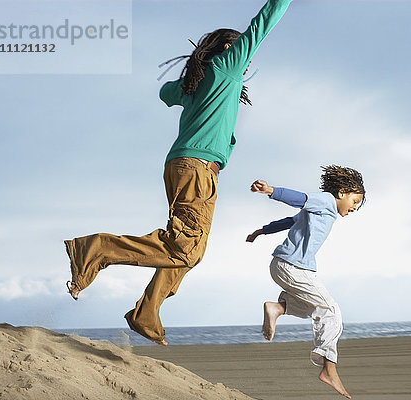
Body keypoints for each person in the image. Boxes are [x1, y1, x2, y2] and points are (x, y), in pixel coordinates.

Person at [64, 0, 294, 346]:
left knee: (190, 249)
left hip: (185, 167)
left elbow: (164, 92)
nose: (248, 60)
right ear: (230, 49)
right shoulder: (227, 65)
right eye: (242, 49)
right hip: (196, 169)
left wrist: (190, 82)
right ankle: (97, 249)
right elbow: (264, 21)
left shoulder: (200, 84)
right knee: (186, 249)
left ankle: (147, 311)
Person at [246, 165, 366, 399]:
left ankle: (278, 308)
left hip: (287, 266)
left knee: (315, 309)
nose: (354, 208)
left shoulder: (320, 211)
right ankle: (329, 369)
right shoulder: (325, 202)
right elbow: (299, 199)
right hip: (293, 267)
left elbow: (290, 221)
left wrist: (261, 231)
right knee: (331, 311)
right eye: (354, 201)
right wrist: (271, 191)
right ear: (341, 192)